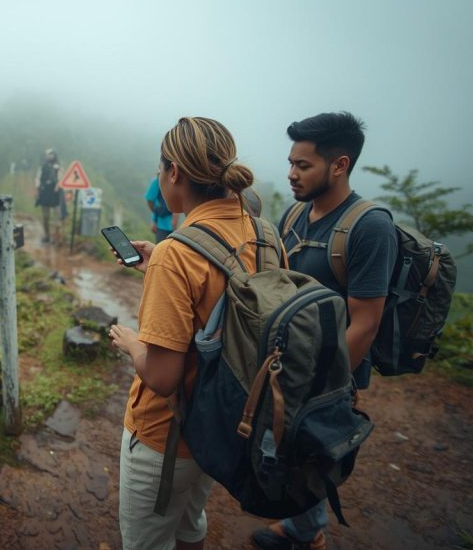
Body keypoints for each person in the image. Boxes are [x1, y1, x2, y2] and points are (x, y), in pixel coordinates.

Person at [109, 117, 259, 550]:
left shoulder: (177, 254)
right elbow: (229, 307)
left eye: (160, 169)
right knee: (191, 525)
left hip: (167, 438)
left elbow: (162, 376)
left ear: (173, 172)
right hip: (224, 424)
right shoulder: (262, 233)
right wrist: (160, 261)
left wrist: (131, 343)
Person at [250, 112, 398, 550]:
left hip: (326, 377)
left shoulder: (370, 228)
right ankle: (304, 526)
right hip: (288, 363)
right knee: (288, 451)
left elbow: (366, 324)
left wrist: (319, 389)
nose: (292, 174)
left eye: (304, 165)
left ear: (340, 165)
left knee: (309, 450)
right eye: (291, 163)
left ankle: (308, 534)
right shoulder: (295, 215)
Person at [35, 148, 62, 242]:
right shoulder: (43, 166)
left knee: (57, 216)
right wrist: (38, 189)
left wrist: (58, 186)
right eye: (48, 154)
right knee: (45, 217)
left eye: (52, 154)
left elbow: (61, 178)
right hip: (45, 192)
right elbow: (38, 179)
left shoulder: (58, 167)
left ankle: (56, 237)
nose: (50, 156)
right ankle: (47, 236)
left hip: (55, 193)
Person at [145, 176, 180, 242]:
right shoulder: (157, 180)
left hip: (170, 226)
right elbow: (150, 200)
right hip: (161, 225)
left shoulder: (175, 179)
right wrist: (154, 219)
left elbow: (150, 199)